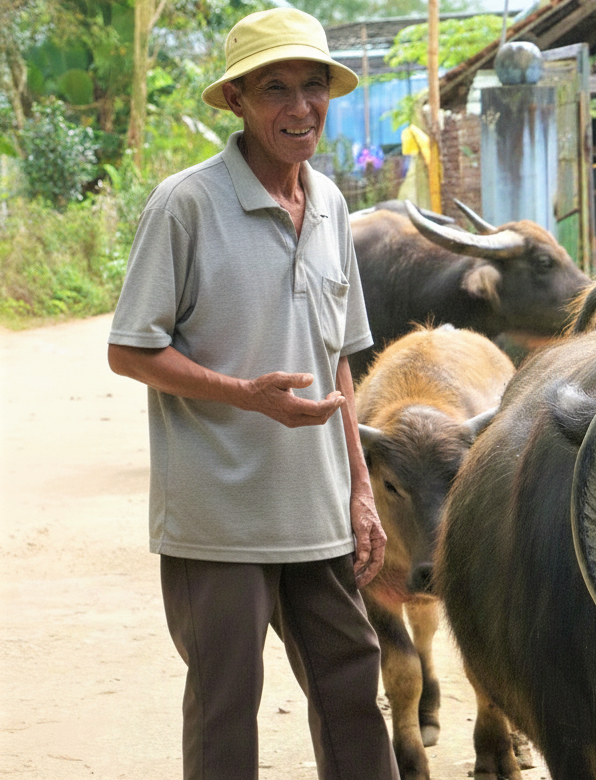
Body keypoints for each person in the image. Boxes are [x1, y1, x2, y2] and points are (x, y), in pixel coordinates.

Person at [106, 8, 399, 779]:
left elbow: (338, 359)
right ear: (236, 99)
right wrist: (245, 394)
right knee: (225, 711)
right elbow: (129, 349)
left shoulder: (332, 205)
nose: (301, 108)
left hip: (318, 513)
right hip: (218, 520)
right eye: (276, 89)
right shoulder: (186, 204)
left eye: (314, 86)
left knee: (353, 697)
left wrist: (359, 489)